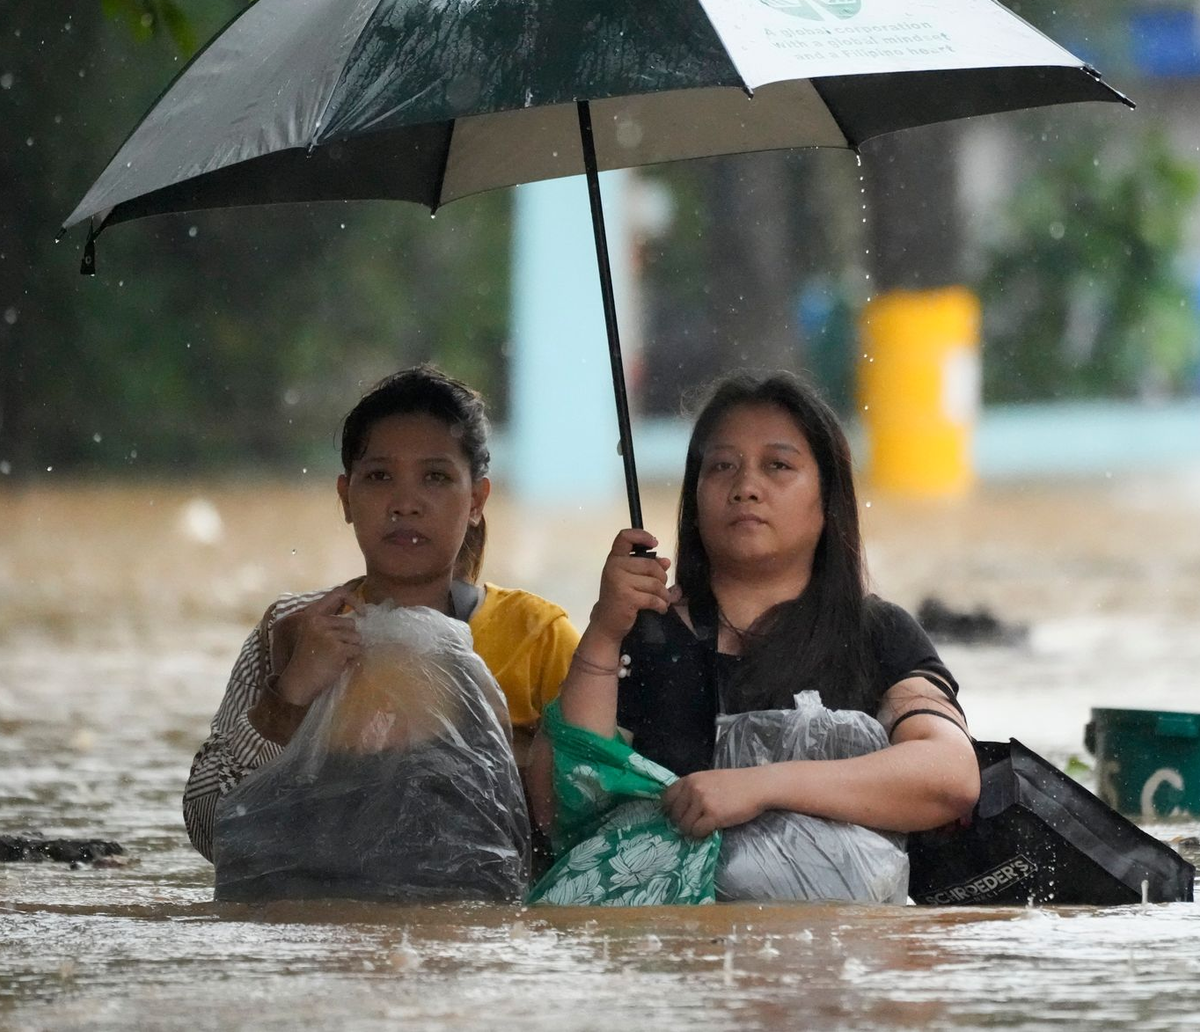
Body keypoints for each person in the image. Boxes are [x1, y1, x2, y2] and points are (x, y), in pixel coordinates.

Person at [528, 370, 978, 862]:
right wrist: (603, 631)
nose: (746, 486)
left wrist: (760, 787)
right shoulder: (646, 634)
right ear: (695, 499)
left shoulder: (875, 634)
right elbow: (558, 808)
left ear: (828, 500)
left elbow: (950, 776)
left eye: (778, 466)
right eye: (722, 467)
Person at [184, 365, 580, 864]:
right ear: (346, 498)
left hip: (473, 934)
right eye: (379, 477)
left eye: (435, 477)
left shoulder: (538, 636)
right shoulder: (293, 629)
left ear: (477, 500)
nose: (405, 503)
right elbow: (208, 830)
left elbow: (593, 826)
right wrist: (290, 697)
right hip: (324, 929)